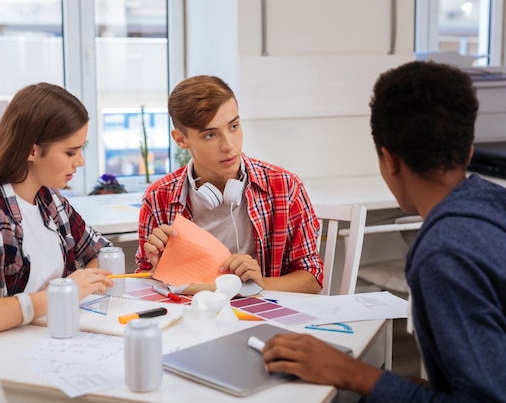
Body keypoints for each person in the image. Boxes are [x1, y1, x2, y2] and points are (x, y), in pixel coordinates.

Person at [262, 61, 506, 402]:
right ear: (467, 152)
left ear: (388, 160)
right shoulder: (495, 203)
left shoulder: (444, 255)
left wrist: (353, 373)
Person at [0, 83, 114, 344]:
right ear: (32, 150)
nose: (81, 161)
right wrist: (59, 295)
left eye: (81, 149)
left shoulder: (50, 200)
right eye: (70, 152)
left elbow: (101, 254)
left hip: (40, 345)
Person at [136, 75, 323, 293]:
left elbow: (312, 279)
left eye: (233, 126)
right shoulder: (158, 197)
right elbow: (143, 284)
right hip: (195, 317)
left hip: (265, 318)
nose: (228, 145)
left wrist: (261, 284)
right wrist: (160, 268)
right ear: (180, 139)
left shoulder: (285, 186)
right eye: (210, 135)